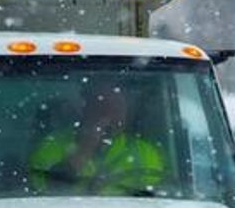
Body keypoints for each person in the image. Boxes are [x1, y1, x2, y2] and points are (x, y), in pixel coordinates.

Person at [28, 77, 165, 196]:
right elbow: (44, 193)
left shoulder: (144, 153)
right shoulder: (52, 146)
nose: (110, 117)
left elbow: (157, 199)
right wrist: (83, 151)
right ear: (85, 111)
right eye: (101, 109)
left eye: (117, 109)